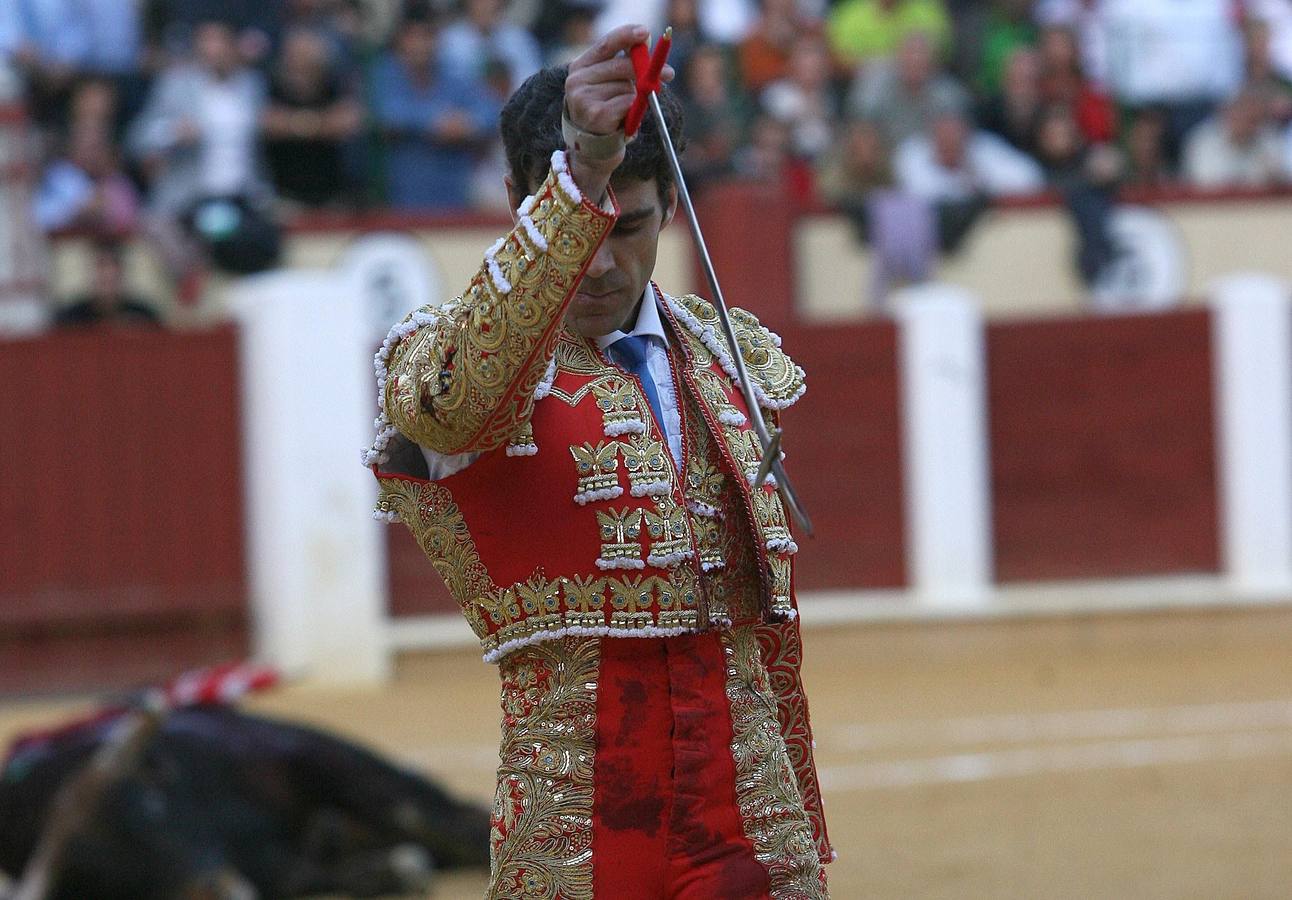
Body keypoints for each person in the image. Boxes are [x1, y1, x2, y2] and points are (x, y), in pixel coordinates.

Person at [365, 23, 832, 899]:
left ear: (670, 210)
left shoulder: (726, 355)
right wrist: (578, 173)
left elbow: (771, 628)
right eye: (588, 228)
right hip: (574, 824)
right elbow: (455, 404)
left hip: (748, 815)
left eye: (634, 226)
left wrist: (793, 813)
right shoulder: (450, 358)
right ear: (520, 197)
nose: (605, 264)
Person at [53, 239, 160, 327]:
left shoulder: (143, 317)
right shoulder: (71, 318)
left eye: (113, 268)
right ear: (90, 273)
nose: (107, 274)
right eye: (101, 267)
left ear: (122, 274)